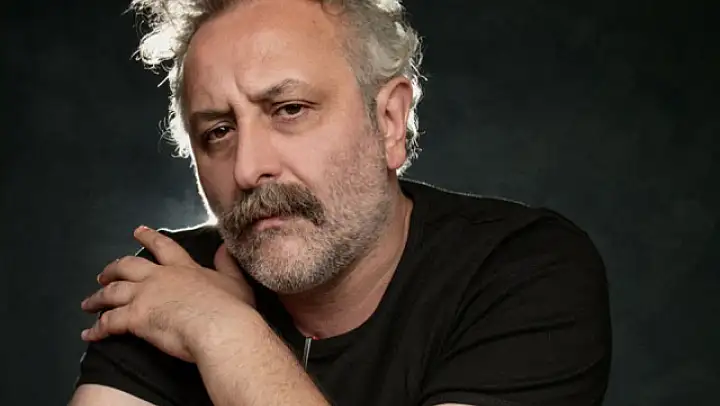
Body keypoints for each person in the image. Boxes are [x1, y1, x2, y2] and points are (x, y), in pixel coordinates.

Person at [68, 0, 612, 405]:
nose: (248, 168)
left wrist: (225, 334)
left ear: (389, 121)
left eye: (289, 109)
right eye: (218, 132)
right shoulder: (176, 281)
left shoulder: (524, 269)